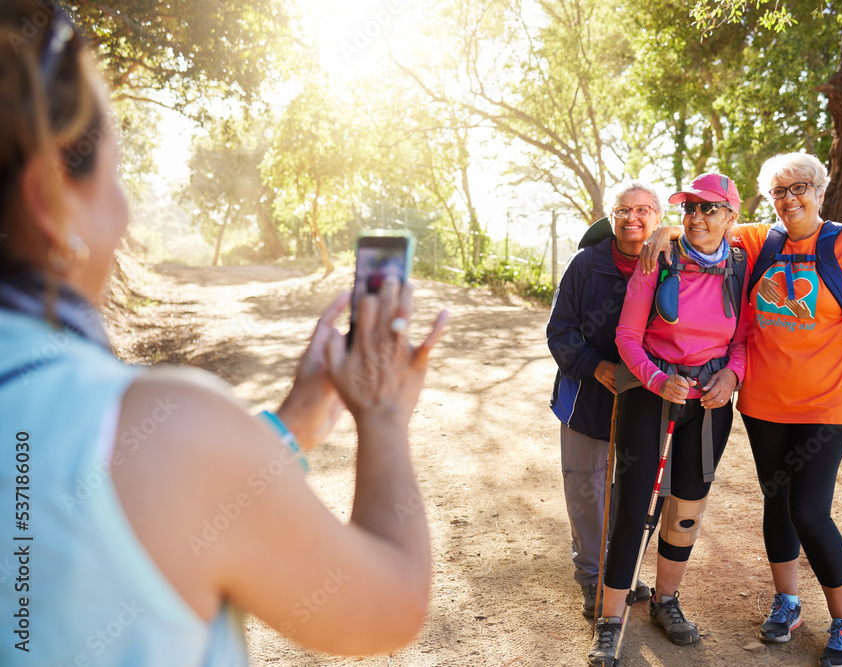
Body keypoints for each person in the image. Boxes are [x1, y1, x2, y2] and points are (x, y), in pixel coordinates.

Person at [0, 3, 447, 664]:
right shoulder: (165, 427)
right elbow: (392, 602)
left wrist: (292, 424)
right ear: (49, 200)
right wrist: (382, 415)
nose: (124, 215)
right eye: (115, 177)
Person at [640, 154, 842, 667]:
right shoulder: (757, 243)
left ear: (821, 190)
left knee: (809, 510)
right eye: (779, 192)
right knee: (776, 503)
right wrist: (664, 231)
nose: (789, 198)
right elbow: (705, 229)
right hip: (763, 403)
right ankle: (788, 602)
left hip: (827, 403)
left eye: (800, 187)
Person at [588, 173, 751, 666]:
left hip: (708, 399)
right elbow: (626, 337)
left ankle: (665, 601)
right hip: (649, 391)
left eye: (708, 209)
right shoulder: (658, 258)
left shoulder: (741, 265)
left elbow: (742, 340)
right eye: (689, 208)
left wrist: (733, 377)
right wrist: (658, 380)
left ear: (730, 217)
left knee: (686, 505)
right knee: (634, 502)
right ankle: (610, 620)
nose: (696, 217)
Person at [546, 180, 661, 617]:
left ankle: (621, 572)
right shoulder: (584, 265)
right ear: (611, 215)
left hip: (646, 398)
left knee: (635, 490)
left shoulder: (669, 264)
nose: (633, 218)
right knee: (587, 487)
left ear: (657, 218)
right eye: (624, 209)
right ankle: (593, 580)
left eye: (644, 210)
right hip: (586, 399)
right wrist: (596, 366)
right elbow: (559, 331)